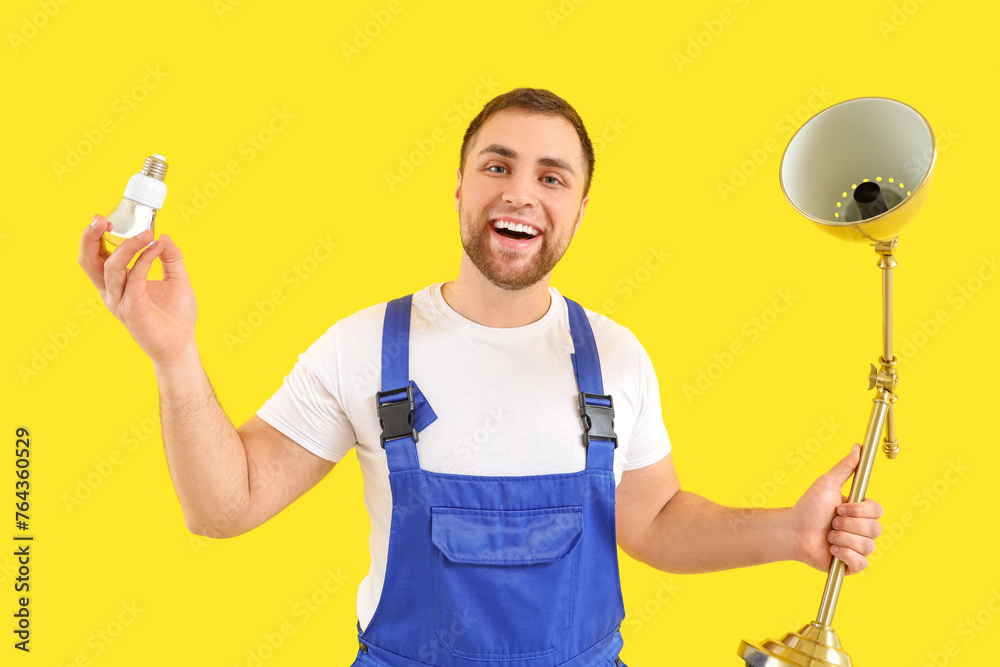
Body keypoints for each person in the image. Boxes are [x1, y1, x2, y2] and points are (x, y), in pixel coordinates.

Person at [78, 88, 883, 667]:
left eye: (552, 176)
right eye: (498, 166)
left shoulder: (616, 357)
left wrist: (790, 531)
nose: (521, 193)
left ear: (579, 210)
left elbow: (655, 521)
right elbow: (224, 506)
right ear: (462, 187)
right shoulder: (363, 347)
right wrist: (174, 355)